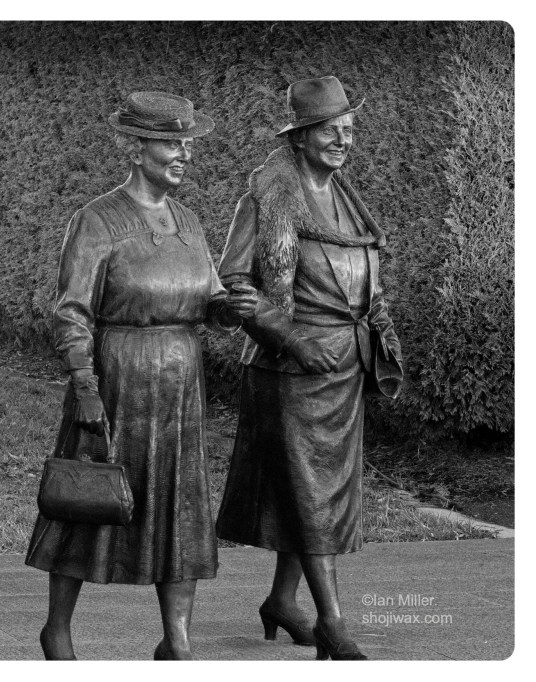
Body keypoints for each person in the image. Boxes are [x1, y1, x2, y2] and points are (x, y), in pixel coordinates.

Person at [25, 92, 252, 660]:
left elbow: (208, 296)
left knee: (182, 509)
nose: (185, 155)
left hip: (180, 385)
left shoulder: (189, 221)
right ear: (135, 147)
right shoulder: (97, 219)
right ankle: (57, 628)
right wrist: (84, 387)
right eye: (173, 144)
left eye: (187, 144)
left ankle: (177, 641)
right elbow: (72, 310)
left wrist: (229, 307)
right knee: (88, 499)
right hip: (118, 378)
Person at [214, 77, 403, 661]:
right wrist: (293, 339)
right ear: (300, 136)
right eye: (330, 129)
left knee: (313, 494)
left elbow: (363, 279)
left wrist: (377, 340)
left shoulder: (346, 198)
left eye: (348, 129)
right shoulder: (268, 196)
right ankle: (333, 624)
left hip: (345, 370)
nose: (343, 139)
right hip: (290, 371)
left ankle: (281, 602)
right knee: (313, 494)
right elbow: (234, 286)